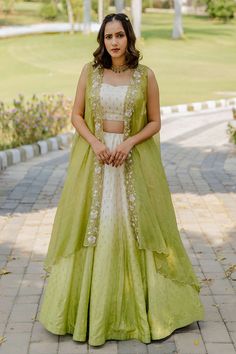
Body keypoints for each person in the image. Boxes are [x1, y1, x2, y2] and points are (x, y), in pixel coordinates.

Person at [38, 12, 205, 347]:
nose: (113, 42)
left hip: (131, 160)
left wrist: (128, 143)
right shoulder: (91, 72)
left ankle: (147, 307)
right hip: (97, 159)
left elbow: (155, 122)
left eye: (119, 36)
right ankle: (87, 309)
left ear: (129, 38)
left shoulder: (146, 76)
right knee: (93, 225)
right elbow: (76, 114)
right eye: (108, 36)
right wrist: (97, 143)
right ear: (102, 40)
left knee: (139, 226)